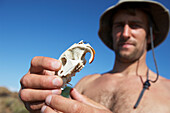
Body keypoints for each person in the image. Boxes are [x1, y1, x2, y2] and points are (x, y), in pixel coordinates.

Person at [19, 0, 170, 113]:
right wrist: (41, 101)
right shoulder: (86, 83)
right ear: (111, 34)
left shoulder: (167, 91)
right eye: (118, 25)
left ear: (150, 36)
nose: (125, 33)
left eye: (135, 25)